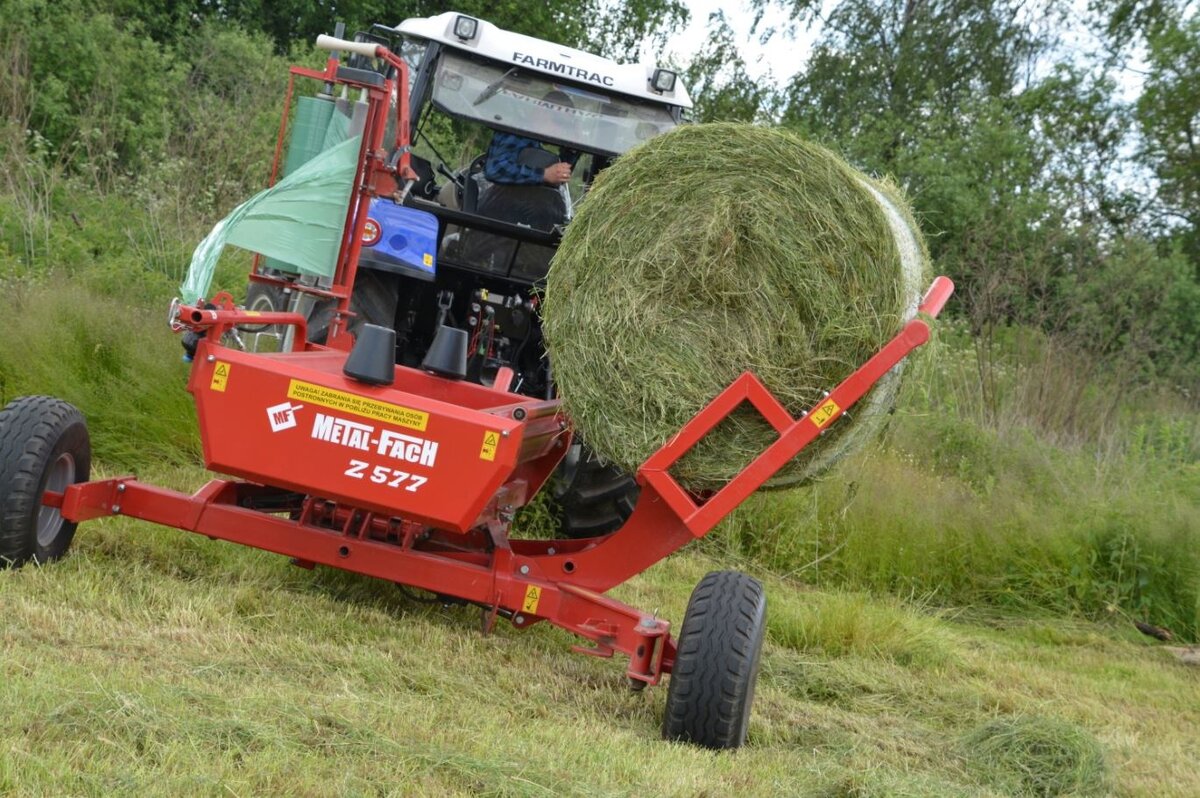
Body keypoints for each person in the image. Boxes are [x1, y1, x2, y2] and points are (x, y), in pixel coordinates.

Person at [483, 90, 579, 188]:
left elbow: (556, 178)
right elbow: (495, 169)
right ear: (542, 112)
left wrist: (572, 150)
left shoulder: (532, 140)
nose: (561, 130)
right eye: (560, 122)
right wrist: (544, 174)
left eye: (566, 125)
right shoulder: (518, 132)